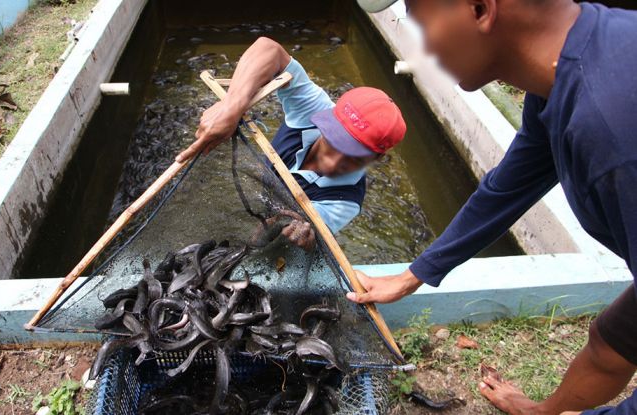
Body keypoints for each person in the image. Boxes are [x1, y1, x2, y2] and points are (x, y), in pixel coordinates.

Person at [347, 0, 637, 414]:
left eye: (423, 23)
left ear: (480, 9)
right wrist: (415, 274)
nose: (424, 48)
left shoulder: (611, 130)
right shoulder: (564, 71)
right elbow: (509, 185)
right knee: (610, 344)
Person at [176, 37, 407, 249]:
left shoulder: (343, 202)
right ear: (329, 119)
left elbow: (272, 235)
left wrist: (307, 237)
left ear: (377, 158)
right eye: (334, 141)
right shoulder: (315, 109)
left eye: (353, 156)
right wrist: (232, 107)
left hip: (281, 214)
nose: (333, 161)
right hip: (265, 187)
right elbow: (269, 50)